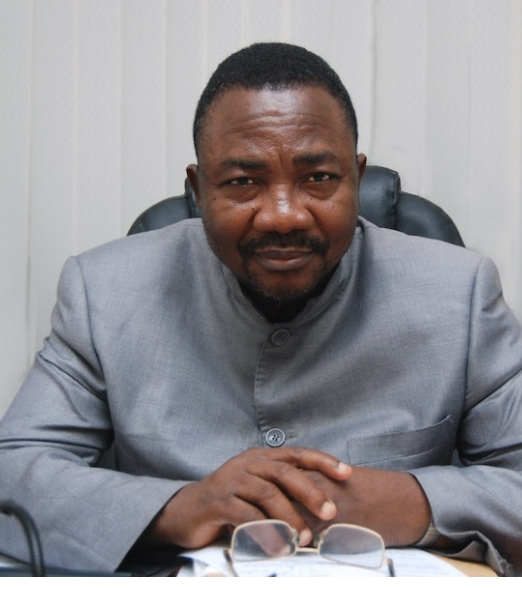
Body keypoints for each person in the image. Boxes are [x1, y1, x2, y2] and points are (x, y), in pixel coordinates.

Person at [0, 42, 521, 576]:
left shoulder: (458, 293)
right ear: (198, 189)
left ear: (357, 179)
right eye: (243, 182)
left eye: (318, 178)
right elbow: (13, 471)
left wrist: (407, 501)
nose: (283, 216)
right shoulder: (105, 292)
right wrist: (180, 507)